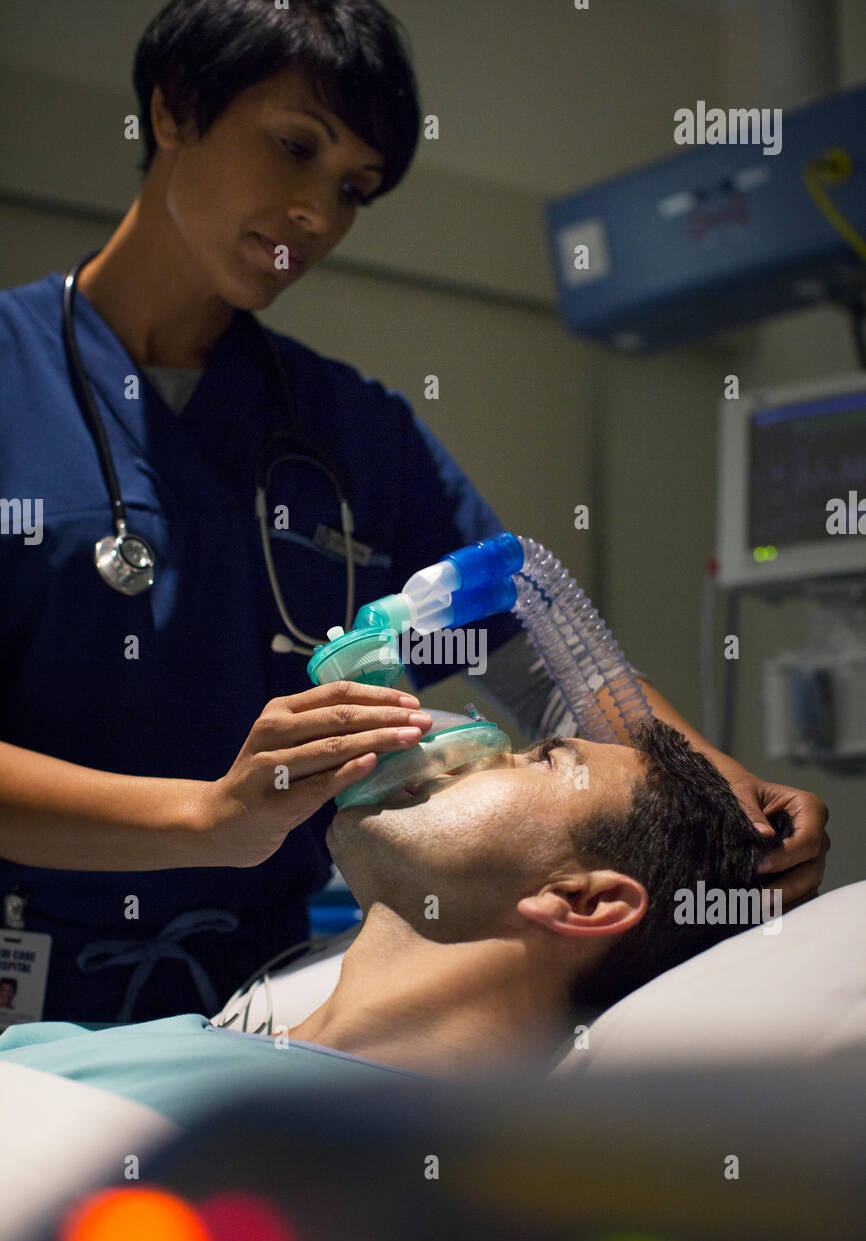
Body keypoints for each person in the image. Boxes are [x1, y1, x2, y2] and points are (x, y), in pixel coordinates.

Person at [0, 0, 827, 1026]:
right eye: (294, 147)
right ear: (174, 111)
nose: (316, 213)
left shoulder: (353, 432)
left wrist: (712, 784)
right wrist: (207, 819)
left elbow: (535, 647)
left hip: (257, 999)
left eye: (353, 188)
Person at [0, 718, 793, 1126]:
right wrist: (203, 814)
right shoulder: (101, 1044)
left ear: (582, 900)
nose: (469, 749)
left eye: (539, 759)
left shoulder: (398, 1182)